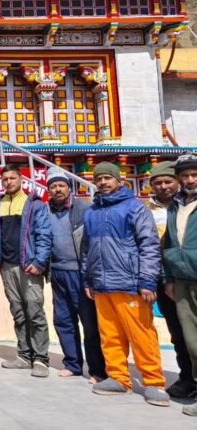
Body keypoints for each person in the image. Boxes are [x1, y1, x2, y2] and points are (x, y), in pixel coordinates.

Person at [82, 162, 169, 406]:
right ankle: (119, 377)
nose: (102, 182)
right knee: (109, 335)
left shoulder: (135, 208)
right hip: (101, 283)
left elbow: (149, 246)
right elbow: (87, 249)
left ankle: (153, 381)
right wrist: (88, 278)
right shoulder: (92, 212)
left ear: (119, 180)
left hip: (129, 282)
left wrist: (147, 281)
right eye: (99, 179)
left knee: (141, 334)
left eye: (108, 178)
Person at [0, 164, 51, 377]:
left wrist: (40, 261)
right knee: (18, 311)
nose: (8, 182)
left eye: (12, 178)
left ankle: (40, 358)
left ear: (21, 179)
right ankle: (24, 355)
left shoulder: (34, 205)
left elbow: (43, 235)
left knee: (35, 311)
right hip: (7, 266)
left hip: (29, 266)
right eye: (4, 179)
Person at [44, 166, 106, 382]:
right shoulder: (46, 211)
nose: (57, 190)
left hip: (81, 274)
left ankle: (97, 369)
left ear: (69, 188)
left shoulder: (84, 209)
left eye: (61, 185)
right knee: (63, 321)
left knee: (89, 323)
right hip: (58, 273)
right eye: (53, 186)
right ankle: (72, 364)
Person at [148, 161, 196, 398]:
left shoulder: (186, 205)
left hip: (191, 276)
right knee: (179, 332)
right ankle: (187, 378)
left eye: (168, 181)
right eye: (158, 183)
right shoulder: (149, 210)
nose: (164, 186)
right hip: (167, 279)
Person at [162, 154, 197, 416]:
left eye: (194, 175)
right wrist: (169, 279)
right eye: (184, 176)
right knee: (191, 341)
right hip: (182, 280)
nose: (189, 180)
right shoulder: (176, 206)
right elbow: (170, 245)